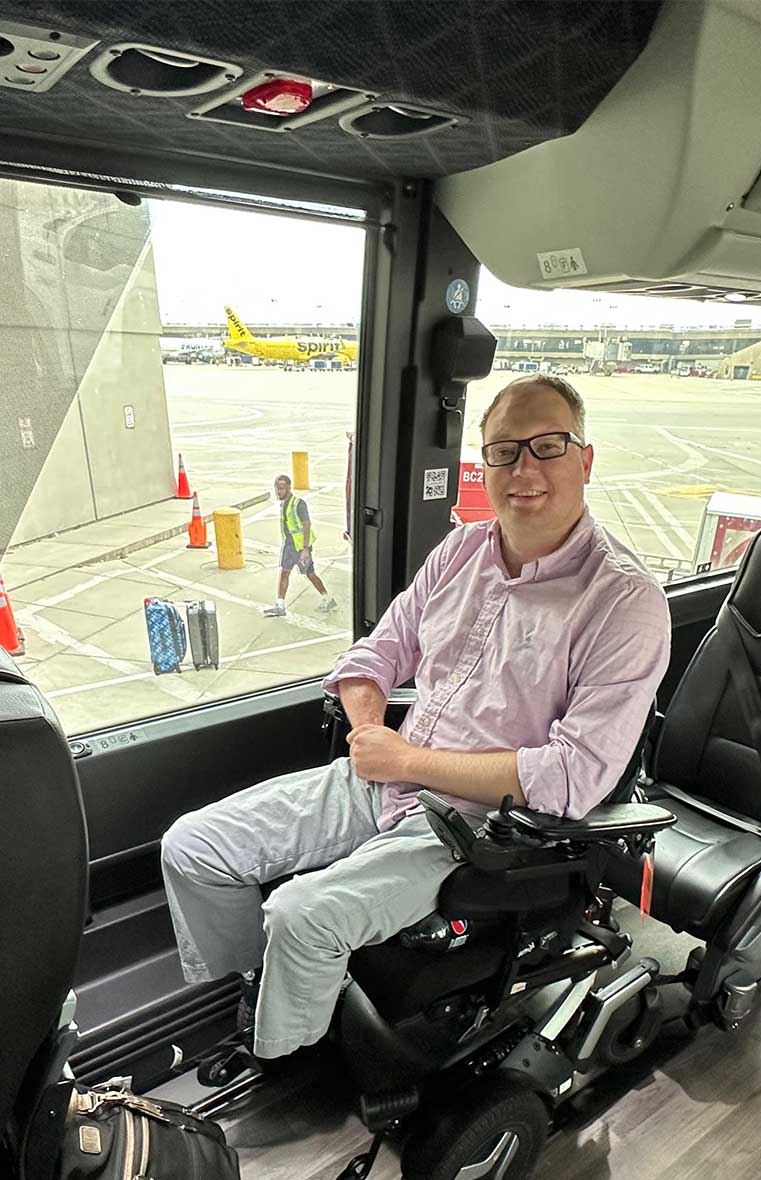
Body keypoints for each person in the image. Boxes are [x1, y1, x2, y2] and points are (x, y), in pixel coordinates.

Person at [162, 375, 671, 1061]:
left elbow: (571, 778)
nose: (524, 468)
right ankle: (266, 981)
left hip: (477, 827)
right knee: (192, 847)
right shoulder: (461, 551)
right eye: (504, 451)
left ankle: (288, 1058)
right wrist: (372, 730)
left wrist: (405, 761)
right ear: (484, 465)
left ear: (585, 459)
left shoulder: (623, 602)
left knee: (300, 915)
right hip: (383, 778)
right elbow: (375, 653)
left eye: (548, 446)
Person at [261, 474, 336, 617]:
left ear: (289, 488)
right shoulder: (285, 503)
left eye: (282, 488)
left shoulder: (298, 503)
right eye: (277, 488)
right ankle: (280, 605)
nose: (279, 492)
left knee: (310, 574)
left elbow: (307, 524)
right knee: (285, 573)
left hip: (300, 547)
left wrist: (305, 549)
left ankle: (327, 598)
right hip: (290, 545)